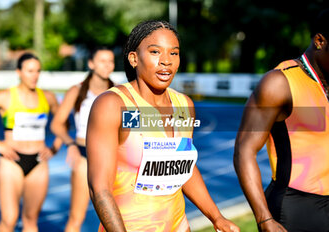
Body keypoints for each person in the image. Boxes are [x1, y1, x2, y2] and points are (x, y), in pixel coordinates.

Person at [86, 20, 240, 232]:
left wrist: (216, 217)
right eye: (155, 52)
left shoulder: (184, 105)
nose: (166, 61)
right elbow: (99, 189)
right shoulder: (113, 105)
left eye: (174, 53)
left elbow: (183, 165)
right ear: (133, 58)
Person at [233, 9, 329, 232]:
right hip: (295, 209)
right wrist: (264, 218)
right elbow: (244, 151)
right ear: (320, 41)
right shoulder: (279, 83)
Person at [0, 52, 62, 232]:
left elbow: (62, 123)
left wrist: (55, 147)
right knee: (9, 220)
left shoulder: (47, 97)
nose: (35, 76)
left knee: (31, 220)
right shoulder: (5, 96)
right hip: (12, 162)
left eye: (38, 71)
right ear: (19, 72)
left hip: (38, 163)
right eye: (30, 71)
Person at [50, 47, 115, 232]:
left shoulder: (118, 91)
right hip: (84, 156)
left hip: (111, 158)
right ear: (91, 64)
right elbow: (56, 124)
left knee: (115, 218)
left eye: (110, 61)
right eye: (102, 60)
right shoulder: (77, 90)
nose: (107, 65)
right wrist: (69, 144)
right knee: (76, 218)